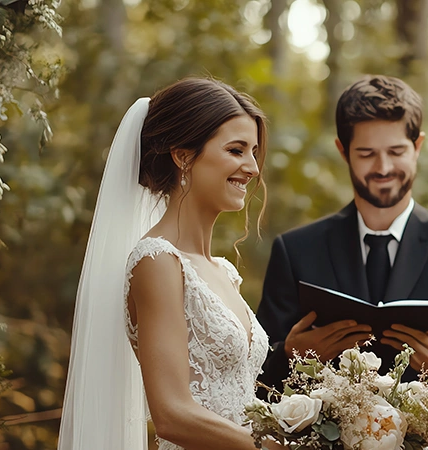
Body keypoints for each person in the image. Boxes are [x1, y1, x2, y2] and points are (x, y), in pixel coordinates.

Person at [58, 78, 285, 450]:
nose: (252, 168)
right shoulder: (157, 261)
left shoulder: (224, 272)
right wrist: (271, 447)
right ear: (182, 156)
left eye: (253, 152)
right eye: (236, 150)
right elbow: (172, 414)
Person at [256, 75, 428, 405]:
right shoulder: (295, 250)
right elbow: (258, 372)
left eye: (396, 151)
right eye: (367, 153)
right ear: (343, 151)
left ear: (418, 147)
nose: (383, 168)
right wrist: (291, 353)